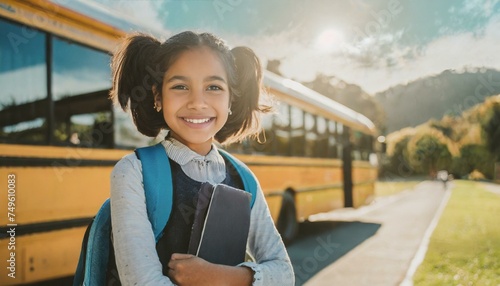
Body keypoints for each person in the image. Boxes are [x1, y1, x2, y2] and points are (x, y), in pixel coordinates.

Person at [108, 31, 295, 285]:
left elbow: (284, 273)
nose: (198, 102)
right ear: (157, 97)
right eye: (180, 86)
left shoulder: (243, 177)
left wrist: (217, 276)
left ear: (231, 99)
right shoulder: (134, 172)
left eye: (214, 87)